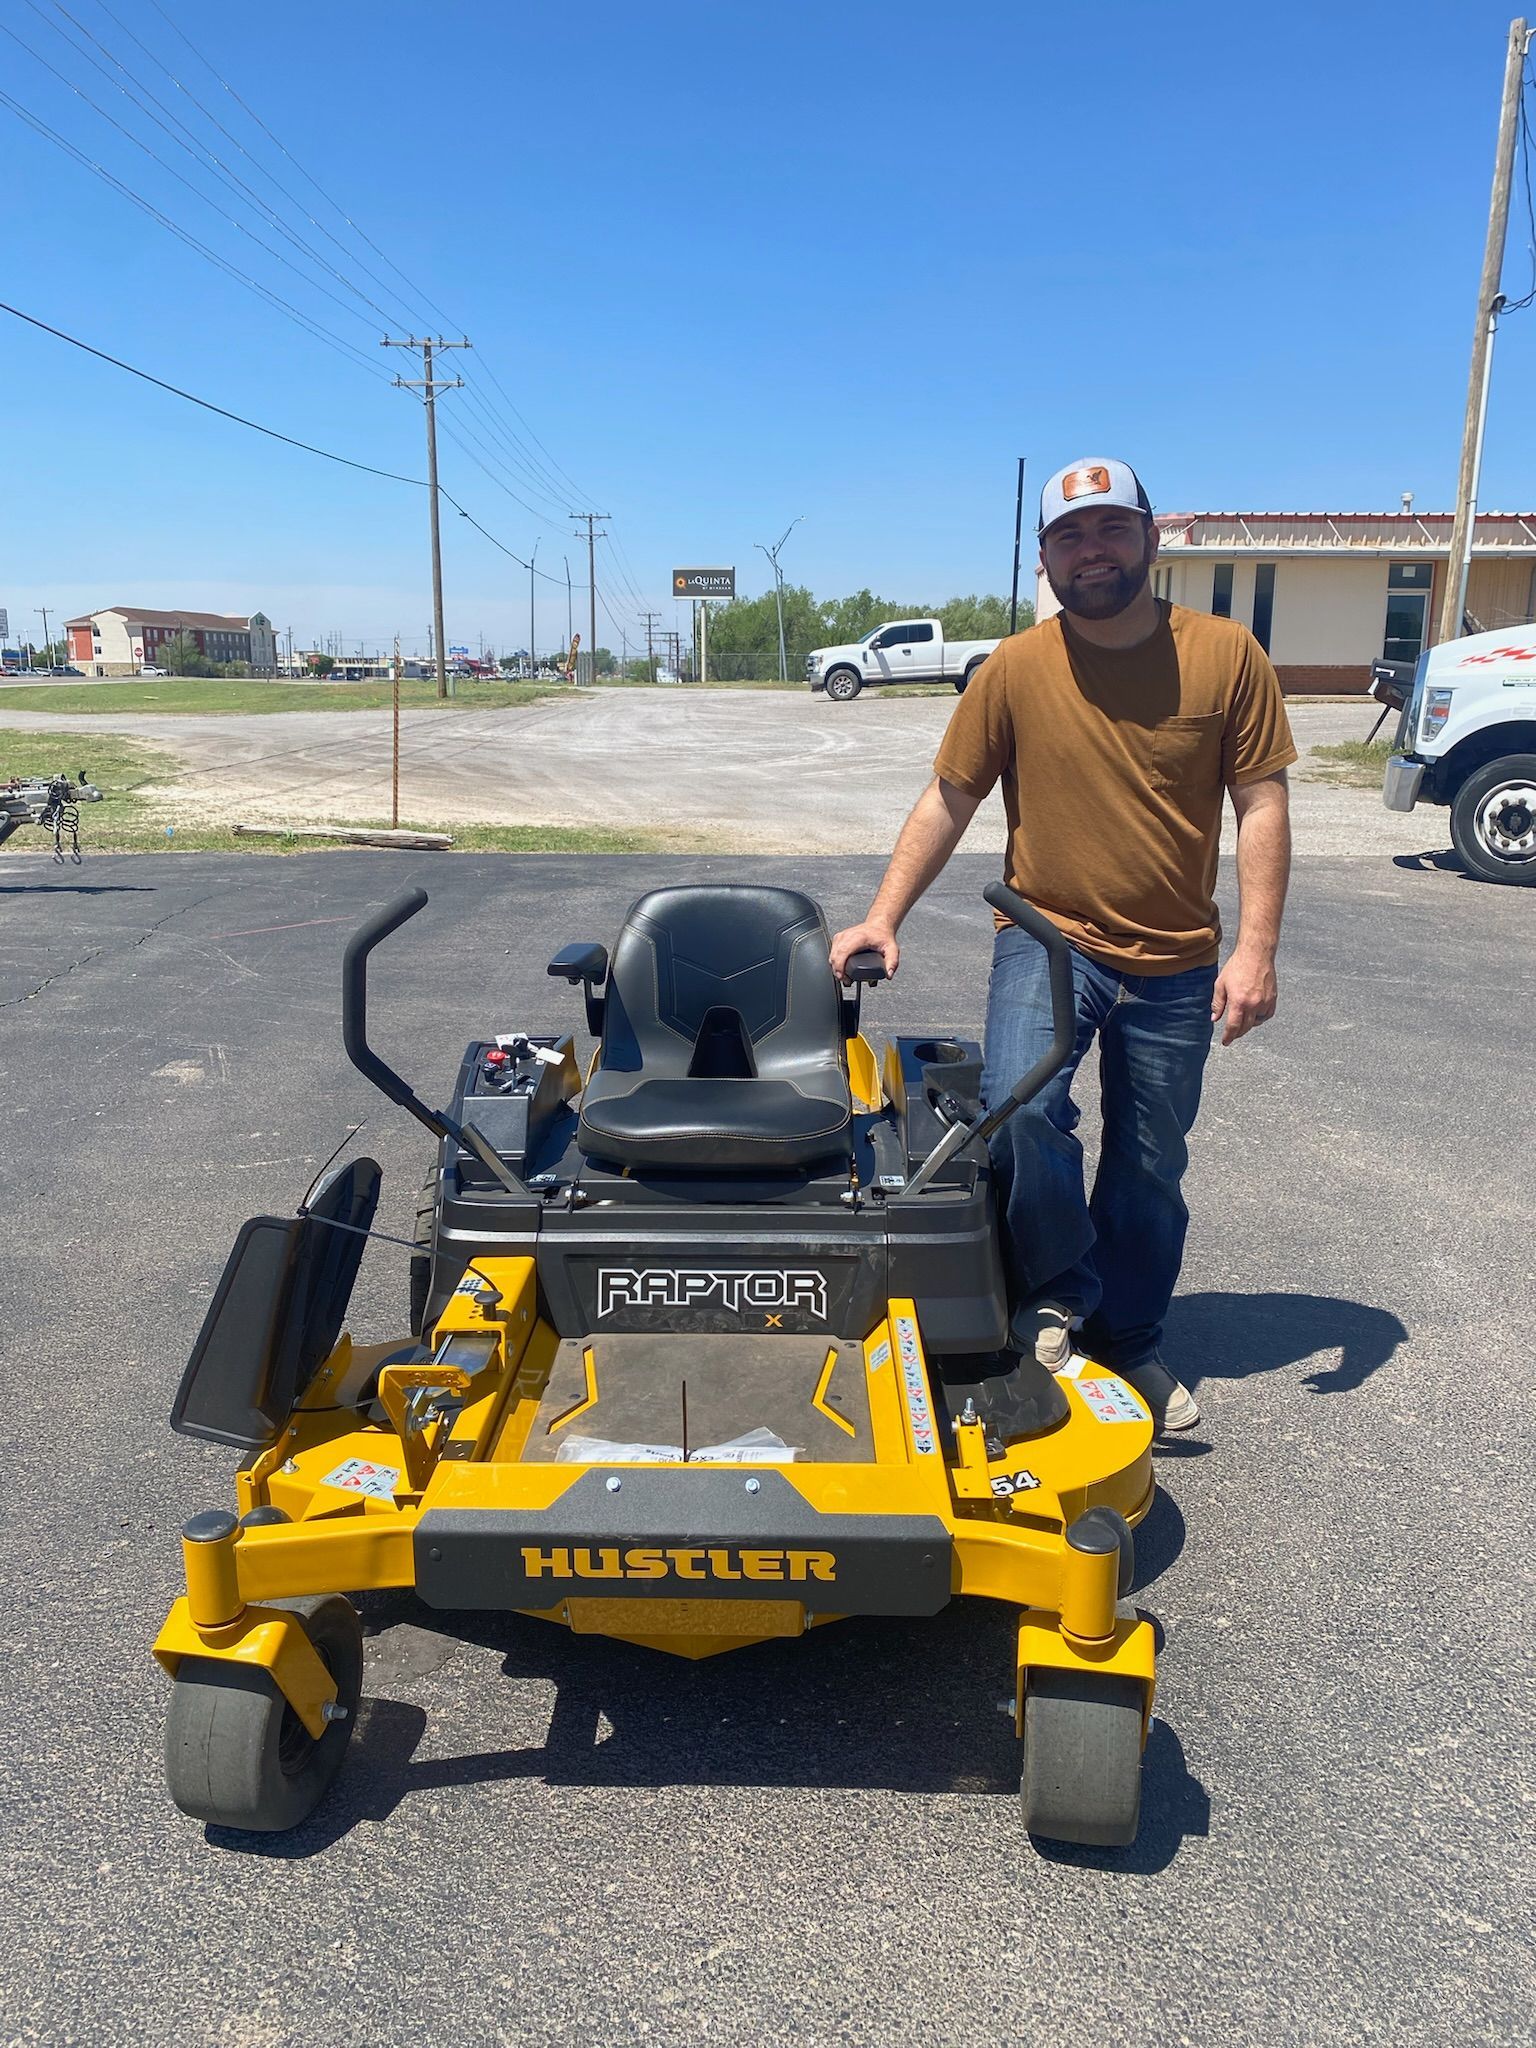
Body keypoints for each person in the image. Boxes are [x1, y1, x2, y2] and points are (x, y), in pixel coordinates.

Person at [830, 457, 1296, 1431]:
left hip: (1178, 959)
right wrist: (883, 913)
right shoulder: (1014, 669)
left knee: (1149, 1161)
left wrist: (1256, 948)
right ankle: (1055, 1295)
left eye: (1110, 529)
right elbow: (951, 793)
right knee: (1020, 1109)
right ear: (1046, 556)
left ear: (1149, 537)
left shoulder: (1224, 655)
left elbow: (1260, 802)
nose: (1093, 551)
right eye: (1071, 537)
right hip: (1046, 938)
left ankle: (1131, 1343)